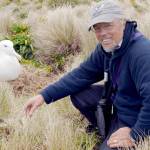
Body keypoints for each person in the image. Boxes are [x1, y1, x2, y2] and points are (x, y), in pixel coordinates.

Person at [24, 0, 150, 149]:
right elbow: (81, 75)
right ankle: (108, 129)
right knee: (80, 94)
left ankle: (122, 136)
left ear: (122, 22)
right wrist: (44, 95)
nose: (103, 33)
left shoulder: (142, 53)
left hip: (135, 118)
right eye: (97, 28)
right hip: (118, 107)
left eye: (108, 25)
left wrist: (135, 134)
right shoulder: (107, 47)